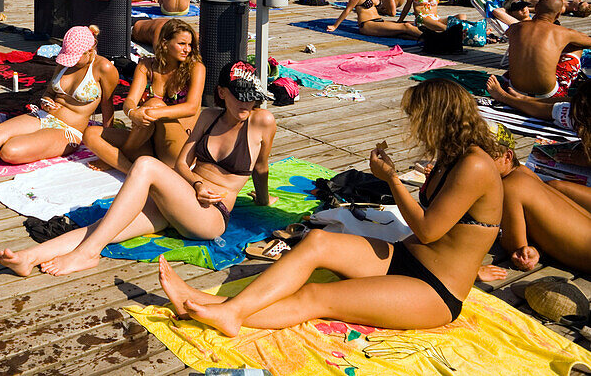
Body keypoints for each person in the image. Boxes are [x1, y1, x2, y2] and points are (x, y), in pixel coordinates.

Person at [158, 78, 503, 335]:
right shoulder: (451, 157)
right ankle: (209, 304)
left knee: (315, 297)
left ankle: (221, 311)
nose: (412, 125)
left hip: (434, 290)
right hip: (405, 258)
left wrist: (392, 180)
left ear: (437, 118)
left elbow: (429, 230)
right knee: (318, 242)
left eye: (417, 117)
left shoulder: (474, 165)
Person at [0, 60, 276, 277]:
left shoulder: (261, 121)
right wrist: (196, 184)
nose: (246, 103)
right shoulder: (209, 117)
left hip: (212, 216)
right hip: (185, 199)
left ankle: (88, 254)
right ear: (222, 92)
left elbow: (261, 167)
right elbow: (181, 163)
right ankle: (30, 257)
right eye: (239, 96)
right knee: (106, 226)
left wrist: (263, 199)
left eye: (251, 97)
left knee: (145, 165)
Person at [0, 26, 119, 189]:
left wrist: (107, 141)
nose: (71, 61)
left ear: (90, 51)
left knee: (10, 151)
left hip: (69, 130)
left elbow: (107, 104)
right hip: (44, 115)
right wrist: (46, 100)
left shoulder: (104, 69)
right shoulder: (65, 62)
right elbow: (50, 91)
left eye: (75, 57)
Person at [85, 19, 206, 170]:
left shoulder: (195, 68)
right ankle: (128, 169)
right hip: (147, 140)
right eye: (182, 44)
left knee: (154, 104)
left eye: (190, 45)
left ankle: (121, 156)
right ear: (164, 43)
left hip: (178, 149)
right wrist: (133, 113)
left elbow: (191, 108)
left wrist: (152, 112)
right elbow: (129, 101)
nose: (187, 49)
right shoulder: (146, 65)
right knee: (90, 134)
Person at [488, 139, 591, 273]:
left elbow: (518, 250)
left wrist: (531, 251)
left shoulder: (509, 187)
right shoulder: (523, 171)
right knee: (555, 186)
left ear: (508, 156)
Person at [505, 0, 591, 98]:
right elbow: (588, 42)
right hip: (547, 94)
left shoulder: (515, 28)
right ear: (558, 15)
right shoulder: (564, 33)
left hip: (514, 88)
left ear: (536, 8)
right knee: (576, 47)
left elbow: (511, 33)